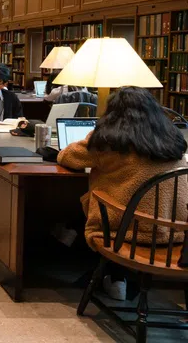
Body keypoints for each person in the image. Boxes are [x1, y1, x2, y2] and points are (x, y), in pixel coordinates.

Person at [57, 87, 188, 300]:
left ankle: (112, 275)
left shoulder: (109, 139)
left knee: (94, 202)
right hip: (174, 230)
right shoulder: (172, 137)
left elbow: (67, 157)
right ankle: (112, 273)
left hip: (127, 230)